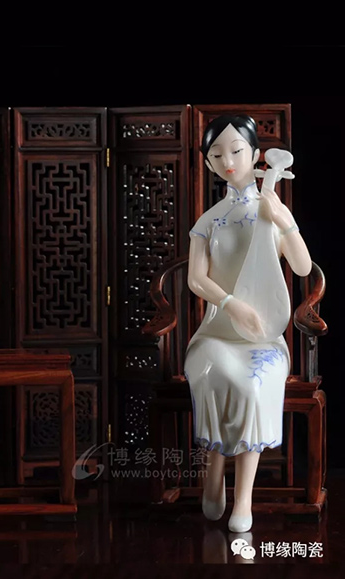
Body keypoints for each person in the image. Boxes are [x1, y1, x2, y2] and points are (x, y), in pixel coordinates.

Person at [184, 114, 312, 532]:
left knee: (252, 384)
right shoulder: (208, 221)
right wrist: (231, 304)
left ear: (256, 155)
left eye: (237, 151)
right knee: (216, 374)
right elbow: (196, 279)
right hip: (215, 333)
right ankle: (212, 478)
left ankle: (243, 500)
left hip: (263, 339)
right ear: (208, 163)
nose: (228, 161)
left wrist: (284, 220)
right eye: (216, 154)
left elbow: (302, 266)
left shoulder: (270, 211)